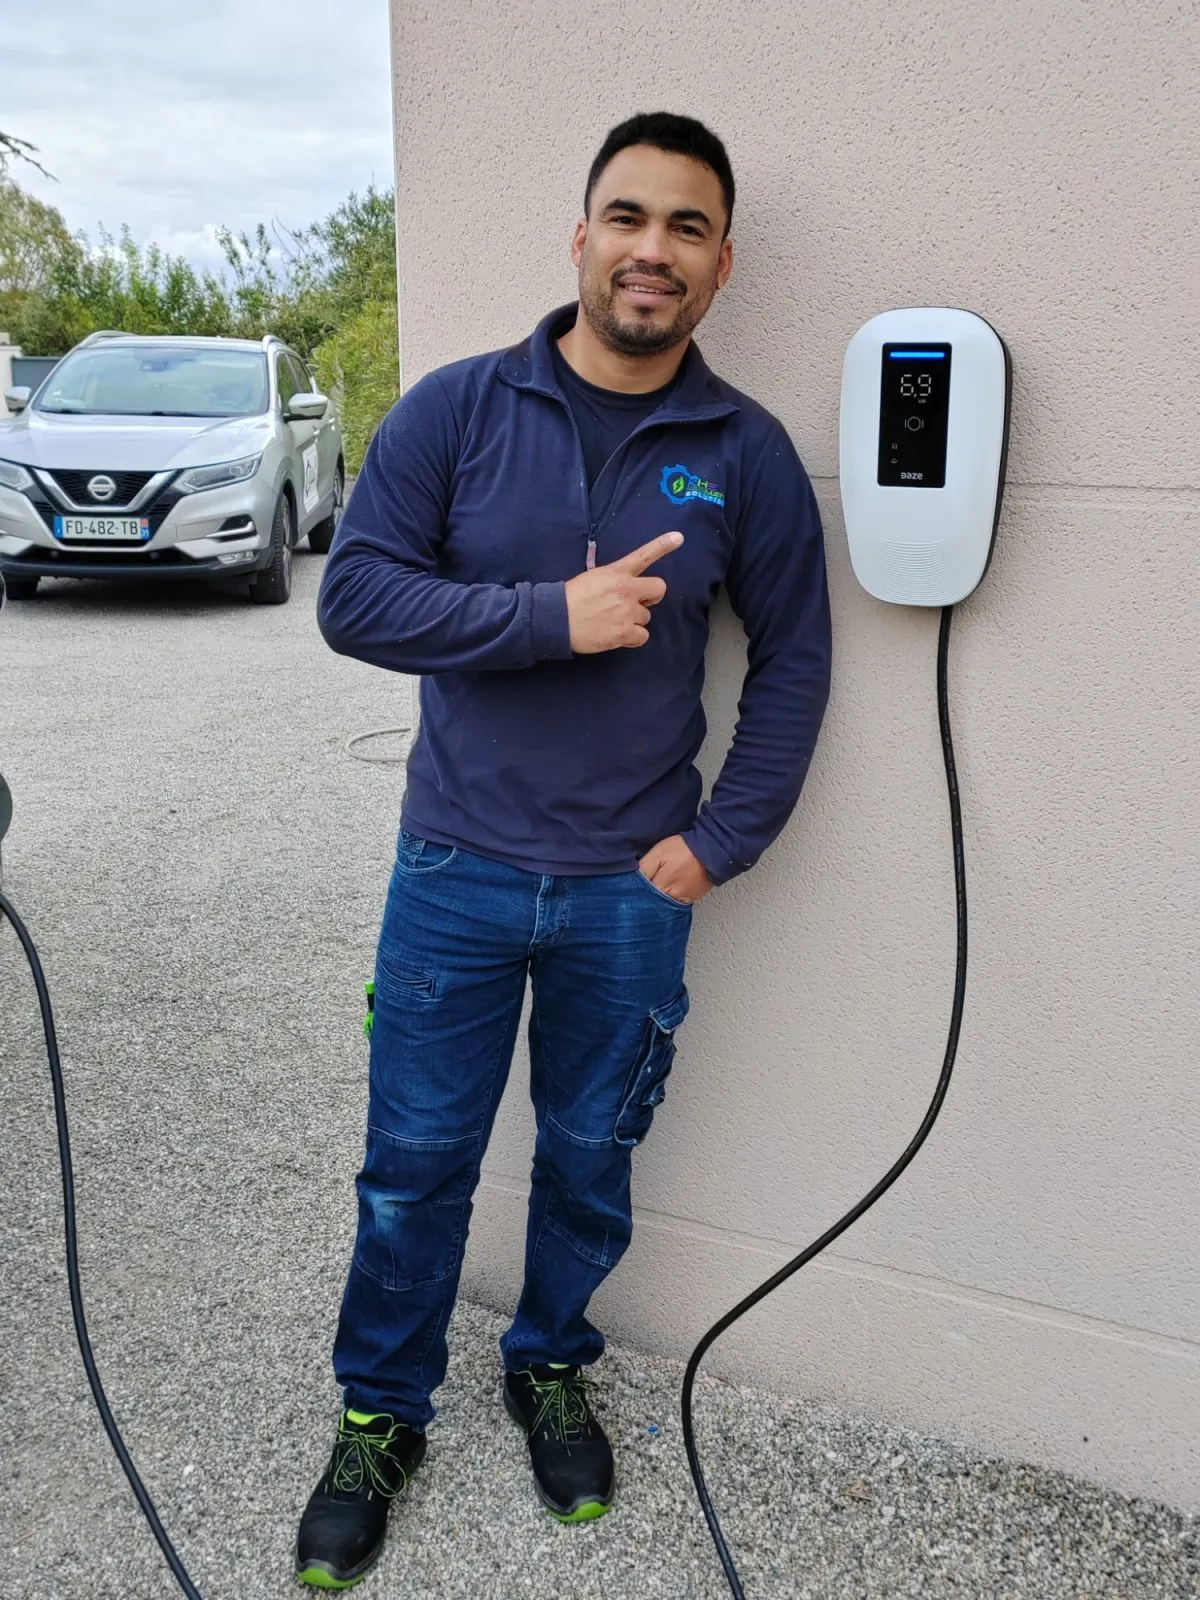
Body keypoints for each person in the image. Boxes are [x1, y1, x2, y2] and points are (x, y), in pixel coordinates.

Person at [296, 110, 831, 1589]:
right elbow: (357, 601)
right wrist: (552, 616)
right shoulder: (460, 411)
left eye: (687, 227)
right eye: (628, 216)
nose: (652, 249)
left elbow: (793, 658)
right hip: (454, 871)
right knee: (414, 1168)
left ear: (721, 266)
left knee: (591, 1158)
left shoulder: (746, 453)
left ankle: (548, 1364)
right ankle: (379, 1412)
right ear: (580, 235)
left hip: (627, 891)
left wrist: (721, 842)